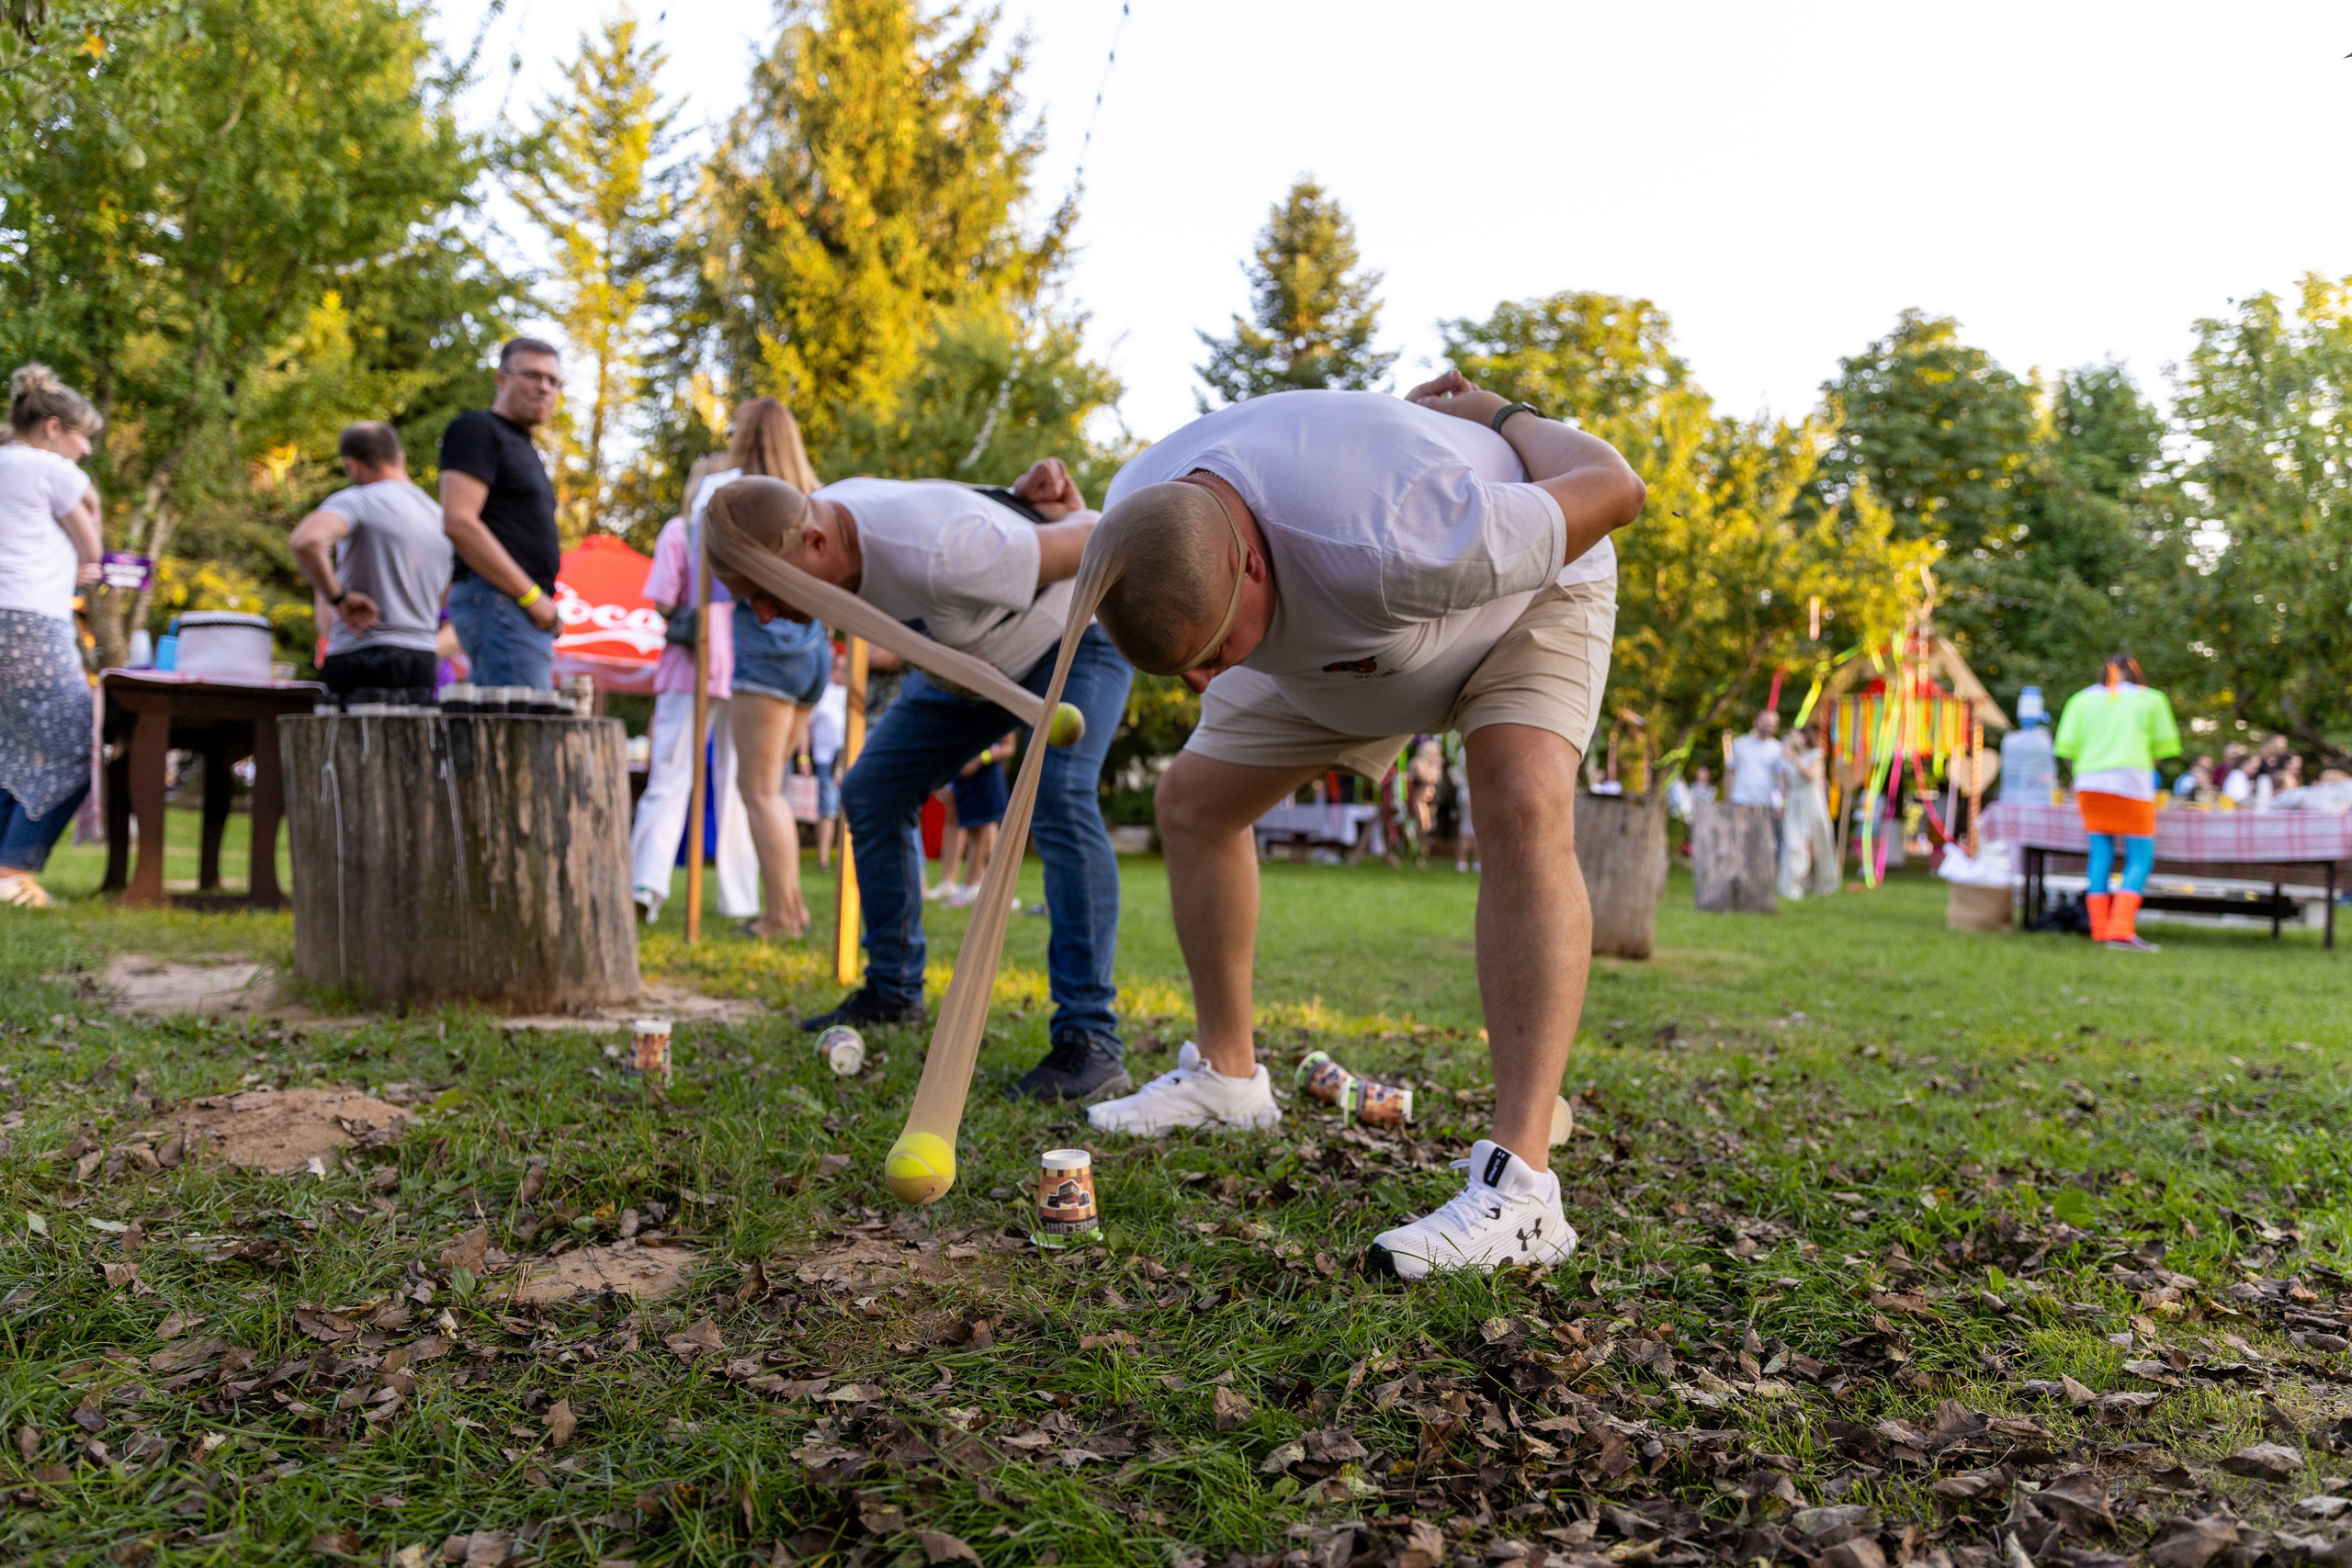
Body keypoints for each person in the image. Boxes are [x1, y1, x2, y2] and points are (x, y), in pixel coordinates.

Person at [1071, 375, 1645, 1279]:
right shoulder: (1140, 508)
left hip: (1521, 606)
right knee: (1193, 805)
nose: (1203, 681)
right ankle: (1228, 1077)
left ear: (1249, 567)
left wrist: (1499, 417)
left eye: (1212, 653)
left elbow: (1616, 487)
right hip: (1346, 651)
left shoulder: (1401, 530)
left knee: (1520, 805)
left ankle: (1523, 1194)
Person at [707, 457, 1136, 1102]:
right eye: (750, 601)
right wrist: (1016, 499)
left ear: (815, 542)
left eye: (767, 592)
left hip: (1072, 638)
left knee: (1059, 795)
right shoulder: (830, 519)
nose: (764, 616)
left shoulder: (944, 553)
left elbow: (1103, 535)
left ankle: (1090, 1039)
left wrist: (1063, 514)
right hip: (970, 664)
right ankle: (892, 991)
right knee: (872, 791)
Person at [695, 400, 831, 941]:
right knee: (772, 787)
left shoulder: (730, 497)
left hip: (766, 645)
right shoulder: (814, 495)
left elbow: (709, 569)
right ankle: (791, 908)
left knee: (759, 788)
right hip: (813, 649)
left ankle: (782, 915)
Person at [628, 468, 759, 928]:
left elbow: (663, 599)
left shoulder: (683, 532)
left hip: (705, 667)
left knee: (676, 776)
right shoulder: (731, 536)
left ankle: (648, 885)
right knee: (730, 781)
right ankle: (736, 897)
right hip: (731, 664)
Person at [0, 366, 105, 908]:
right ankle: (12, 873)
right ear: (53, 428)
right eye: (84, 437)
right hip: (31, 621)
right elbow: (93, 549)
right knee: (74, 746)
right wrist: (91, 561)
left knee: (10, 748)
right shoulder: (52, 468)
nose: (86, 450)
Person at [289, 423, 451, 702]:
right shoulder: (440, 518)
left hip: (361, 655)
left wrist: (338, 599)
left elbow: (307, 541)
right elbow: (445, 593)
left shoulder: (358, 501)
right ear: (400, 458)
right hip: (422, 658)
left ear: (353, 465)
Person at [441, 338, 562, 689]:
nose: (544, 387)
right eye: (532, 375)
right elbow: (459, 522)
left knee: (498, 719)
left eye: (553, 380)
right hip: (503, 603)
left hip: (508, 608)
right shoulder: (479, 429)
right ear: (501, 378)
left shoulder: (521, 445)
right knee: (523, 721)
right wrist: (531, 597)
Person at [2052, 651, 2180, 951]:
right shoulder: (2151, 699)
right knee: (2140, 856)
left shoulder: (2081, 700)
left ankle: (2099, 928)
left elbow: (2067, 752)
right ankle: (2120, 929)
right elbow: (2160, 752)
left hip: (2089, 784)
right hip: (2132, 783)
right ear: (2136, 673)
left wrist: (2086, 775)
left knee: (2100, 854)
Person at [943, 735, 1014, 906]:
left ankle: (995, 892)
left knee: (985, 833)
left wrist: (980, 759)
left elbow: (1008, 747)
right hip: (967, 780)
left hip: (987, 777)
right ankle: (974, 887)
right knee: (975, 833)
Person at [1776, 730, 1838, 900]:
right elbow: (1784, 783)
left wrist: (1794, 759)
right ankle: (1793, 884)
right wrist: (1782, 804)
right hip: (1794, 802)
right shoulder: (1787, 758)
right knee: (1793, 842)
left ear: (1805, 737)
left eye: (1796, 735)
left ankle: (1825, 883)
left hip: (1812, 800)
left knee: (1820, 841)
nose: (1793, 738)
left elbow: (1811, 776)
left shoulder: (1816, 754)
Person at [807, 646, 848, 869]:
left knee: (849, 808)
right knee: (828, 808)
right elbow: (807, 725)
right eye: (838, 668)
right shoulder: (823, 692)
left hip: (850, 756)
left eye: (845, 669)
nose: (841, 673)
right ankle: (823, 859)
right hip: (826, 758)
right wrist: (803, 757)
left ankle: (847, 859)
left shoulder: (854, 692)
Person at [1726, 709, 1784, 811]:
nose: (1769, 727)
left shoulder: (1779, 748)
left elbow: (1781, 778)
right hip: (1739, 800)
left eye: (1772, 724)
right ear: (1756, 722)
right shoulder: (1739, 744)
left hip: (1766, 803)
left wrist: (1780, 803)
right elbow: (1729, 771)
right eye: (1766, 723)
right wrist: (1727, 798)